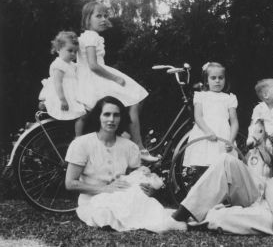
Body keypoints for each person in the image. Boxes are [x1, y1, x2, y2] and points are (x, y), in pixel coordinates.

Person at [65, 96, 186, 232]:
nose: (111, 119)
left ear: (121, 118)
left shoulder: (129, 146)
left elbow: (135, 176)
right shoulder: (81, 144)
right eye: (106, 114)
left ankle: (167, 220)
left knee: (141, 205)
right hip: (92, 200)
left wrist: (147, 188)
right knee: (104, 214)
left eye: (116, 115)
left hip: (123, 197)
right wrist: (105, 189)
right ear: (98, 117)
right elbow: (70, 183)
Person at [76, 1, 158, 162]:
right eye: (98, 16)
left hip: (92, 78)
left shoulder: (88, 37)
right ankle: (138, 146)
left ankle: (125, 136)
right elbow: (93, 65)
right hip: (95, 79)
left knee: (136, 96)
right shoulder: (91, 37)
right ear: (87, 19)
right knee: (136, 97)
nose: (103, 19)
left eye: (105, 16)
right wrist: (114, 78)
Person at [182, 62, 239, 169]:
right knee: (203, 167)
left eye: (221, 78)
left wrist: (231, 140)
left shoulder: (229, 98)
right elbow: (198, 117)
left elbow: (234, 122)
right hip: (205, 134)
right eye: (213, 78)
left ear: (225, 79)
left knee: (223, 168)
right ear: (207, 81)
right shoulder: (201, 96)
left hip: (223, 136)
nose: (217, 81)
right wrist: (207, 131)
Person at [38, 31, 86, 135]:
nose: (73, 54)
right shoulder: (59, 64)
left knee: (81, 114)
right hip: (63, 97)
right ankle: (78, 137)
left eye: (75, 51)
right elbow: (57, 83)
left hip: (72, 96)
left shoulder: (72, 65)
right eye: (70, 50)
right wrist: (62, 100)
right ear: (59, 49)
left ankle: (75, 135)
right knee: (81, 114)